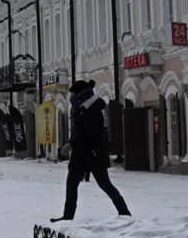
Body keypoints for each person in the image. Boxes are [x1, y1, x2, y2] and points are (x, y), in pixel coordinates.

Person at [51, 80, 131, 222]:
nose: (72, 97)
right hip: (80, 154)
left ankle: (124, 213)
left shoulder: (94, 110)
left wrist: (71, 144)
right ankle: (68, 216)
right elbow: (77, 131)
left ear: (81, 94)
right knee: (71, 183)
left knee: (105, 184)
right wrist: (69, 146)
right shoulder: (79, 109)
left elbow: (90, 133)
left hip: (94, 154)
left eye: (74, 93)